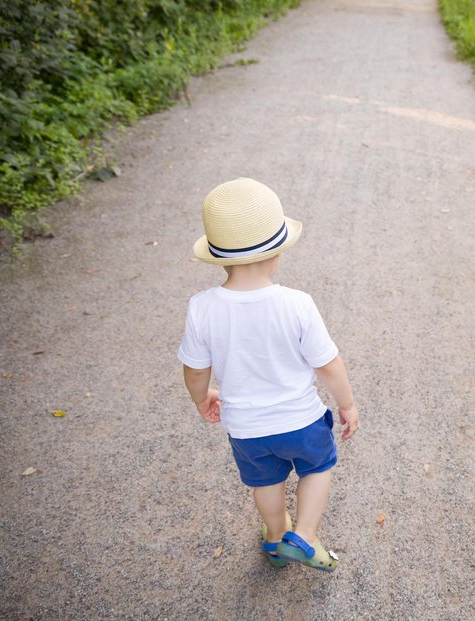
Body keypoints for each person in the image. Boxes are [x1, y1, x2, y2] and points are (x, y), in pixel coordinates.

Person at [178, 177, 359, 570]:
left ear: (219, 256)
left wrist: (202, 397)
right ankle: (305, 536)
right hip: (301, 421)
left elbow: (194, 369)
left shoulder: (203, 307)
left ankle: (276, 537)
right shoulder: (296, 304)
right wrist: (346, 404)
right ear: (277, 253)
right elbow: (327, 364)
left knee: (266, 483)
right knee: (317, 468)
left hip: (247, 429)